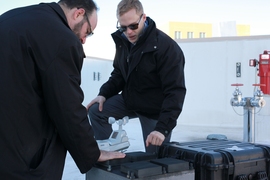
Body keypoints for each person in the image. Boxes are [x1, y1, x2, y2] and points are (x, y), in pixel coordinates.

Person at [0, 0, 125, 179]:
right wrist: (93, 153)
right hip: (24, 158)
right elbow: (67, 108)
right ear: (78, 14)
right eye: (88, 32)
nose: (83, 40)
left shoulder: (10, 18)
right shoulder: (62, 40)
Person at [87, 0, 186, 154]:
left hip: (154, 110)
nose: (129, 32)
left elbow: (175, 92)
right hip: (130, 100)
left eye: (133, 26)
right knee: (96, 111)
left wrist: (162, 129)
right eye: (123, 27)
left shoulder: (166, 48)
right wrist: (103, 94)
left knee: (155, 162)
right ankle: (108, 156)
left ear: (143, 18)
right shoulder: (123, 41)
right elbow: (119, 73)